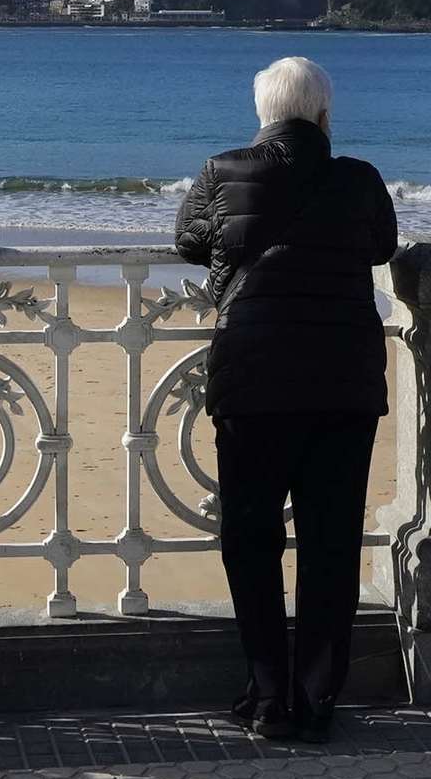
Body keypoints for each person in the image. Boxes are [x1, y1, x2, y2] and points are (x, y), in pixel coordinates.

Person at [172, 54, 401, 743]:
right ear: (325, 116)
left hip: (253, 377)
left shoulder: (222, 169)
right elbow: (383, 244)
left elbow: (187, 239)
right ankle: (317, 695)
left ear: (262, 115)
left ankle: (268, 692)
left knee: (250, 536)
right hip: (342, 381)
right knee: (330, 541)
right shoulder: (359, 179)